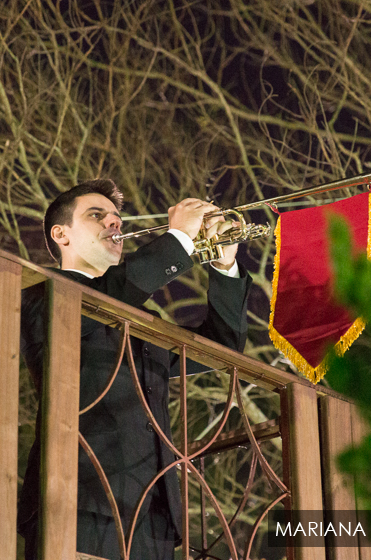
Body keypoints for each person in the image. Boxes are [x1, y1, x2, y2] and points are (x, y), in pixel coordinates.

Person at [17, 179, 251, 560]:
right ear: (61, 234)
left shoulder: (141, 316)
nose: (115, 224)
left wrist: (224, 263)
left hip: (154, 519)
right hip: (80, 504)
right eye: (97, 216)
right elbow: (110, 295)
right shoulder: (40, 291)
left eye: (117, 218)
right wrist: (178, 241)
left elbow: (222, 348)